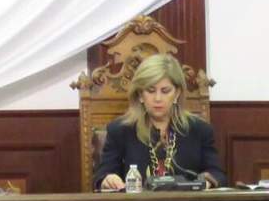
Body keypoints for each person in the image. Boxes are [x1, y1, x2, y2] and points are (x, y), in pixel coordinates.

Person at [94, 53, 224, 191]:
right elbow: (102, 175)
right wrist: (108, 179)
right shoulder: (120, 130)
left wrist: (206, 181)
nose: (157, 98)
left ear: (177, 93)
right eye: (150, 91)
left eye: (165, 91)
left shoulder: (200, 130)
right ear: (140, 94)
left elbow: (217, 174)